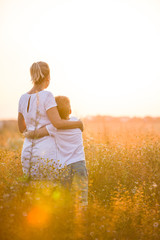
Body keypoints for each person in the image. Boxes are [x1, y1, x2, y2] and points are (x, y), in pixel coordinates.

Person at [18, 61, 83, 180]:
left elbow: (22, 128)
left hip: (27, 151)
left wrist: (33, 133)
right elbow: (57, 123)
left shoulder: (22, 98)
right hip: (45, 152)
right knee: (48, 191)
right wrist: (79, 123)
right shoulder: (47, 96)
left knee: (32, 190)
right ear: (48, 77)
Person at [24, 96, 88, 206]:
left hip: (64, 167)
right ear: (70, 111)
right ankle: (82, 219)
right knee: (82, 198)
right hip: (79, 164)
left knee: (65, 198)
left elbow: (35, 134)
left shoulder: (54, 127)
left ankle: (66, 218)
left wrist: (25, 132)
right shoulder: (76, 121)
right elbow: (82, 126)